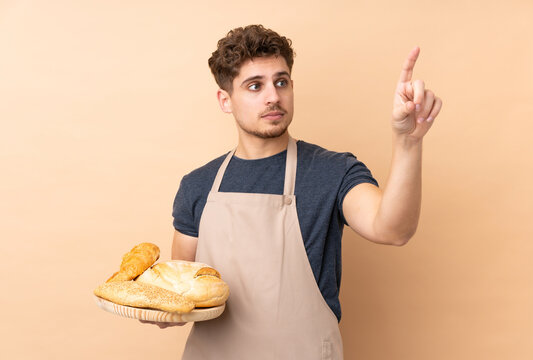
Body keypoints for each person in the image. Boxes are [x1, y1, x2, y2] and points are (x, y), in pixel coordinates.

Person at [144, 24, 442, 359]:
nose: (273, 96)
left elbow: (394, 229)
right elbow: (179, 296)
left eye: (281, 82)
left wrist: (408, 141)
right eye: (255, 86)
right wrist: (159, 309)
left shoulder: (333, 171)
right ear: (225, 101)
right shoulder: (197, 186)